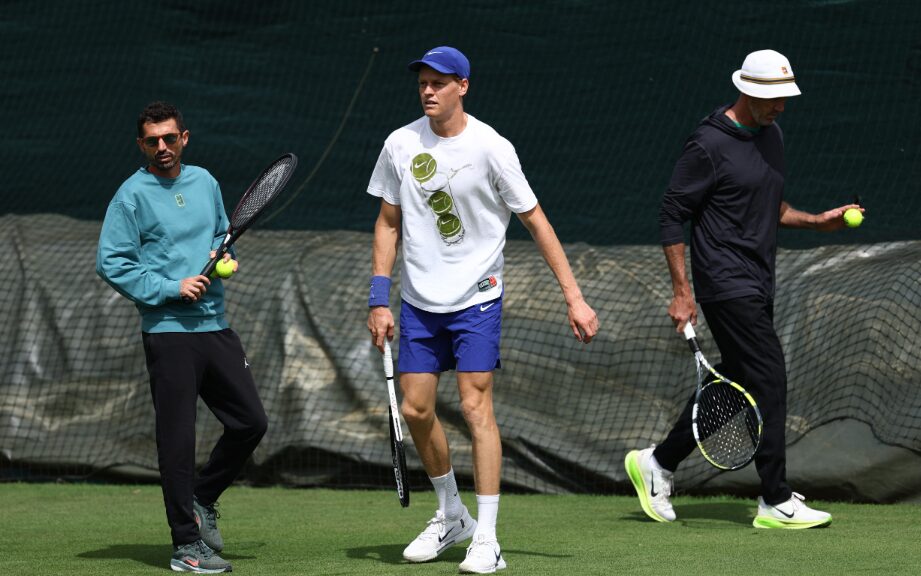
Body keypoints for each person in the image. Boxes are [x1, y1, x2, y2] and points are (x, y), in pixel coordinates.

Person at [366, 46, 599, 573]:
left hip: (477, 297)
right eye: (423, 83)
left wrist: (574, 296)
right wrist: (379, 298)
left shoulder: (493, 148)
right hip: (419, 301)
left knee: (476, 409)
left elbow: (536, 221)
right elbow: (387, 222)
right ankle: (452, 514)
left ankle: (488, 539)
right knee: (416, 410)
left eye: (439, 83)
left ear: (463, 86)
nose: (428, 91)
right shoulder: (400, 144)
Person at [625, 50, 863, 529]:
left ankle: (659, 461)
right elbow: (672, 213)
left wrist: (816, 221)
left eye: (785, 98)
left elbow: (768, 204)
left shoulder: (772, 135)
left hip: (759, 280)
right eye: (772, 98)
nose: (780, 106)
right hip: (725, 283)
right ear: (746, 90)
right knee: (770, 378)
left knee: (742, 384)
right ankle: (775, 498)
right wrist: (681, 291)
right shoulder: (708, 143)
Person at [97, 101, 268, 572]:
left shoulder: (205, 182)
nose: (162, 147)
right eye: (152, 140)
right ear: (141, 145)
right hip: (168, 333)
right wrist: (172, 288)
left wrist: (222, 256)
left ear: (184, 138)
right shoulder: (130, 196)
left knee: (251, 422)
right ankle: (185, 546)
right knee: (177, 442)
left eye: (170, 138)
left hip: (215, 325)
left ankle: (203, 497)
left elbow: (219, 235)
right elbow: (112, 262)